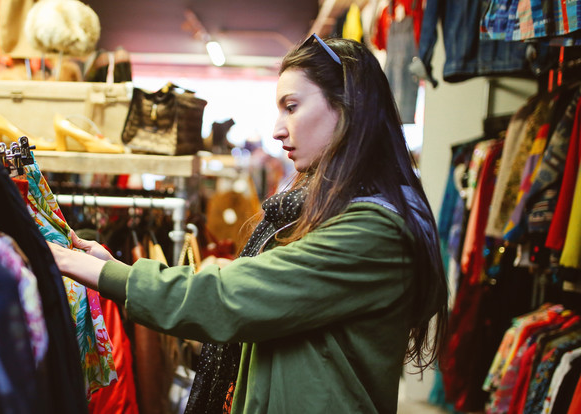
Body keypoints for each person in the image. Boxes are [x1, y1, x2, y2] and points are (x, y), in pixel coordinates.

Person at [49, 35, 448, 413]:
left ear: (347, 107)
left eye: (291, 107)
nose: (277, 130)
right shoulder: (335, 211)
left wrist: (99, 271)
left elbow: (226, 299)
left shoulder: (371, 231)